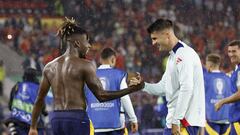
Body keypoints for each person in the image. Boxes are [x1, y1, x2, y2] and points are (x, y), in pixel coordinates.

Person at [28, 18, 144, 135]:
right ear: (77, 43)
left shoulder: (49, 67)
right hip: (76, 118)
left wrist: (33, 127)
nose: (89, 46)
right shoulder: (85, 65)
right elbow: (102, 96)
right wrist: (131, 89)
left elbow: (39, 99)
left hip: (57, 118)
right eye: (87, 41)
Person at [130, 18, 205, 135]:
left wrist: (176, 120)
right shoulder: (173, 57)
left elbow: (187, 88)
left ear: (167, 35)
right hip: (175, 122)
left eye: (155, 38)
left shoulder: (183, 55)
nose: (153, 43)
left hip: (183, 123)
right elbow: (163, 88)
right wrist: (142, 86)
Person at [85, 47, 138, 135]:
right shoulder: (119, 75)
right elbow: (125, 98)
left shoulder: (89, 76)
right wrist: (133, 119)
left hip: (94, 125)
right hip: (115, 125)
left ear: (100, 59)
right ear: (113, 59)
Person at [4, 68, 46, 135]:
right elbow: (42, 106)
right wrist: (44, 112)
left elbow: (10, 106)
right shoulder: (38, 88)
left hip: (17, 122)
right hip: (34, 124)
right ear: (35, 77)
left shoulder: (16, 86)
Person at [215, 40, 240, 135]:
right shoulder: (237, 69)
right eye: (229, 51)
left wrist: (222, 102)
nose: (231, 54)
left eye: (234, 51)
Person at [204, 53, 232, 135]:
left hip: (211, 119)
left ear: (209, 64)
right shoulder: (228, 78)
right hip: (226, 119)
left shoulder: (205, 78)